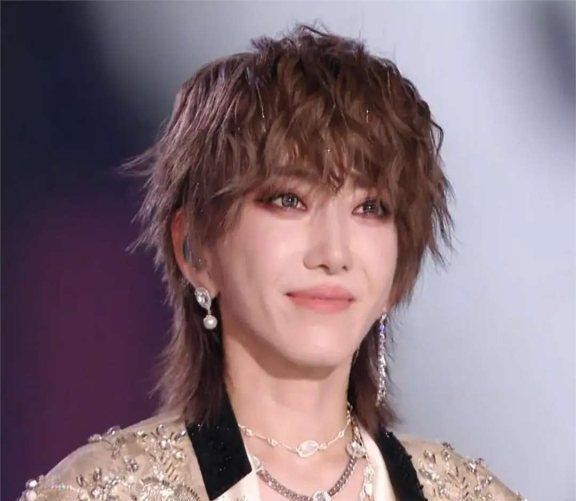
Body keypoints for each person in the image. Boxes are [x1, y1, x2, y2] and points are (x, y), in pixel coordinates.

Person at [19, 24, 525, 501]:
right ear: (195, 248)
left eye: (370, 208)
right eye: (289, 200)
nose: (333, 254)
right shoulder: (103, 491)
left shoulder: (465, 493)